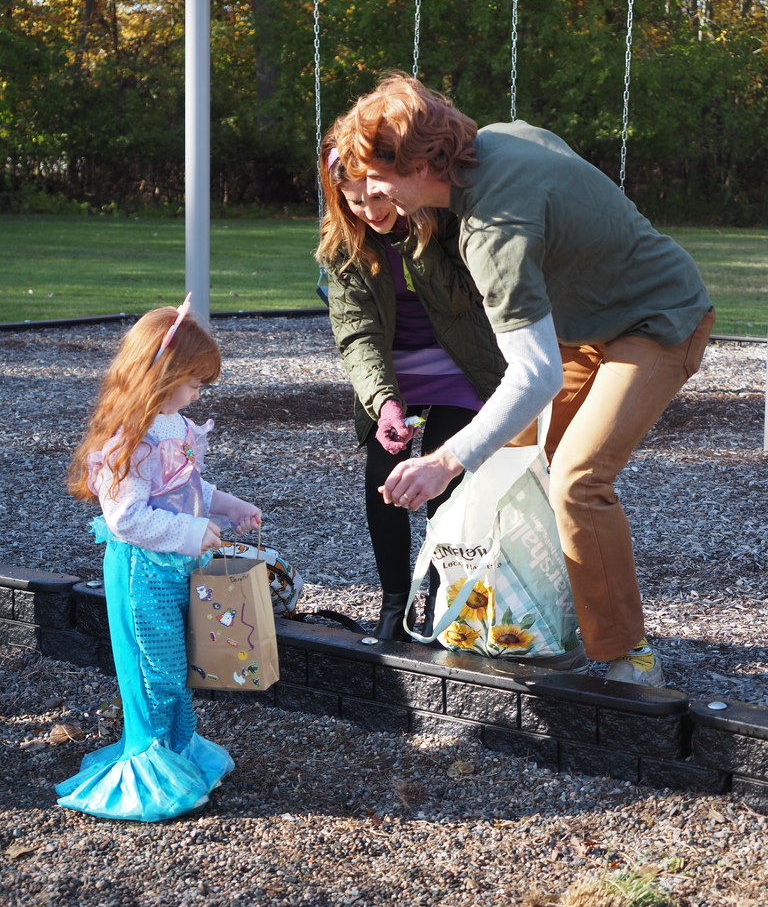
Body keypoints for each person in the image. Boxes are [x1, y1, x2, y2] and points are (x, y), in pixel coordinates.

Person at [334, 74, 716, 687]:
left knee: (577, 479)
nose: (371, 193)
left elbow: (533, 375)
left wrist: (444, 461)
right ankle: (519, 615)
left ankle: (627, 654)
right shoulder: (499, 139)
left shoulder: (492, 232)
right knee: (508, 463)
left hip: (658, 318)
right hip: (584, 323)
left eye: (378, 177)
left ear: (419, 163)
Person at [57, 298, 262, 821]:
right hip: (142, 572)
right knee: (153, 667)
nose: (198, 393)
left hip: (171, 567)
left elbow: (187, 486)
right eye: (193, 381)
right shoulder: (130, 441)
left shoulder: (173, 425)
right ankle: (148, 765)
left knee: (175, 661)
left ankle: (174, 749)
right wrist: (194, 532)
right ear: (160, 376)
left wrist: (228, 506)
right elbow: (127, 519)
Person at [317, 134, 508, 642]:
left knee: (443, 481)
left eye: (378, 196)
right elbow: (357, 333)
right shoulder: (345, 244)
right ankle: (395, 603)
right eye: (356, 202)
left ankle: (443, 599)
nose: (371, 210)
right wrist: (384, 404)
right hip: (395, 369)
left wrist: (411, 238)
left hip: (460, 360)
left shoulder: (443, 217)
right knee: (385, 474)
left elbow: (463, 294)